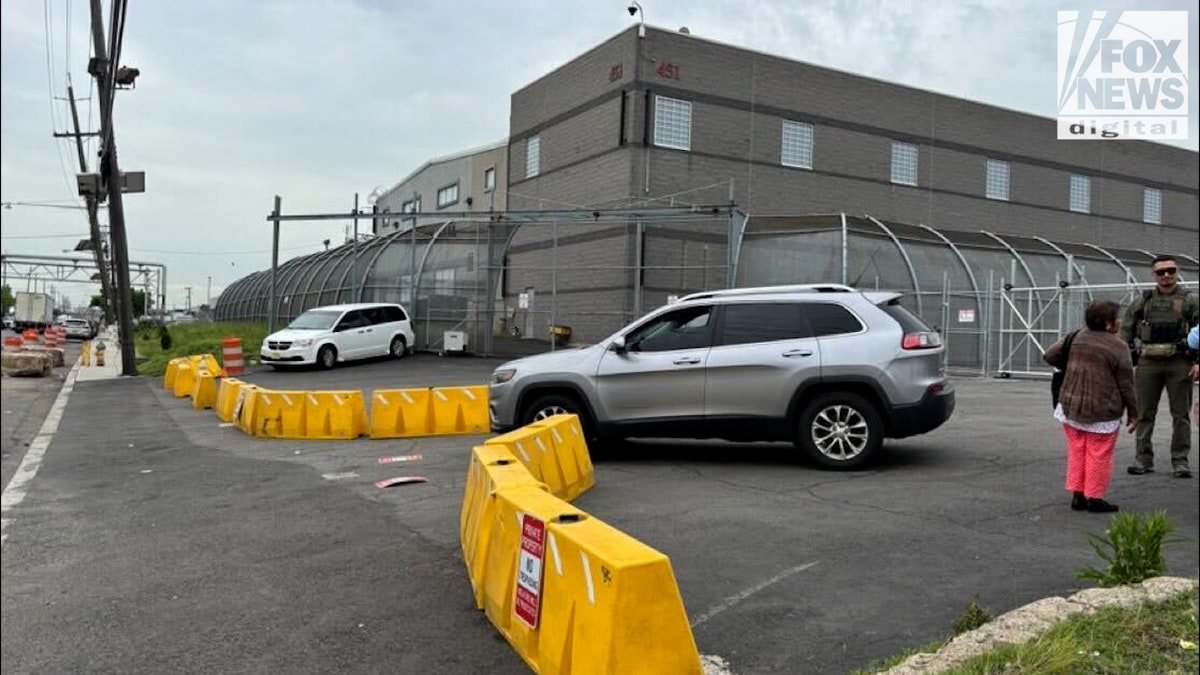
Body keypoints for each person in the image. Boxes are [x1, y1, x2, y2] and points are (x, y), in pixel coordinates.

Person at [1045, 300, 1138, 513]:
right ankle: (1095, 498)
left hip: (1071, 405)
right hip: (1102, 410)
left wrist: (1075, 365)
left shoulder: (1076, 336)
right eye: (1117, 317)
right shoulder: (1118, 346)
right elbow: (1126, 384)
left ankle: (1077, 496)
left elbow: (1049, 356)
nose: (1120, 321)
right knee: (1099, 453)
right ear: (1108, 323)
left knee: (1077, 450)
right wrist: (1134, 412)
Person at [1119, 254, 1200, 478]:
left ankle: (1180, 461)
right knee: (1144, 413)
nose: (1166, 276)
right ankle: (1143, 459)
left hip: (1180, 362)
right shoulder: (1143, 301)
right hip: (1148, 363)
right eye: (1161, 272)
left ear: (1177, 271)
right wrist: (1124, 359)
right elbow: (1125, 330)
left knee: (1180, 415)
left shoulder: (1191, 300)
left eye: (1171, 271)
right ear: (1153, 275)